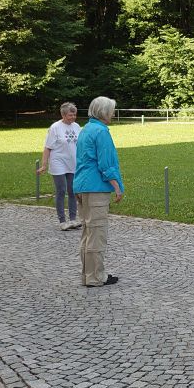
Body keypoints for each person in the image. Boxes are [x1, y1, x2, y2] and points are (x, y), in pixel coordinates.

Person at [73, 96, 124, 287]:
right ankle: (96, 277)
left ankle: (88, 274)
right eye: (111, 110)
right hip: (95, 188)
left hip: (82, 186)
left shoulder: (86, 129)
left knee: (87, 233)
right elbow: (106, 163)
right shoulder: (101, 132)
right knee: (97, 233)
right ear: (104, 112)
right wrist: (117, 186)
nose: (112, 113)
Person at [36, 102, 81, 231]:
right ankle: (62, 220)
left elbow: (81, 144)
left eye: (74, 115)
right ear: (63, 114)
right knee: (61, 190)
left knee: (73, 191)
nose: (73, 117)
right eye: (70, 115)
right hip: (58, 162)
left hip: (72, 163)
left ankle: (73, 219)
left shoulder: (77, 126)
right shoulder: (55, 127)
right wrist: (44, 165)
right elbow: (47, 147)